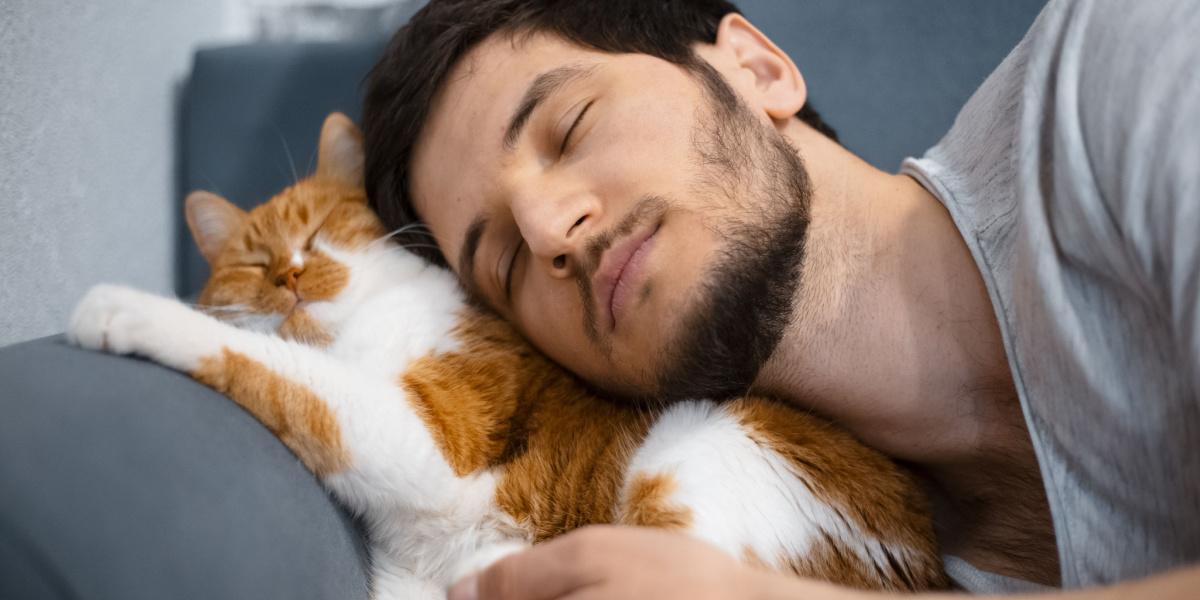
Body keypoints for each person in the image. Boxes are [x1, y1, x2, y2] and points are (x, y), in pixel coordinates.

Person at [360, 0, 1200, 598]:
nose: (548, 230)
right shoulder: (852, 557)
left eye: (571, 125)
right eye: (503, 262)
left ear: (755, 69)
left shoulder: (1127, 62)